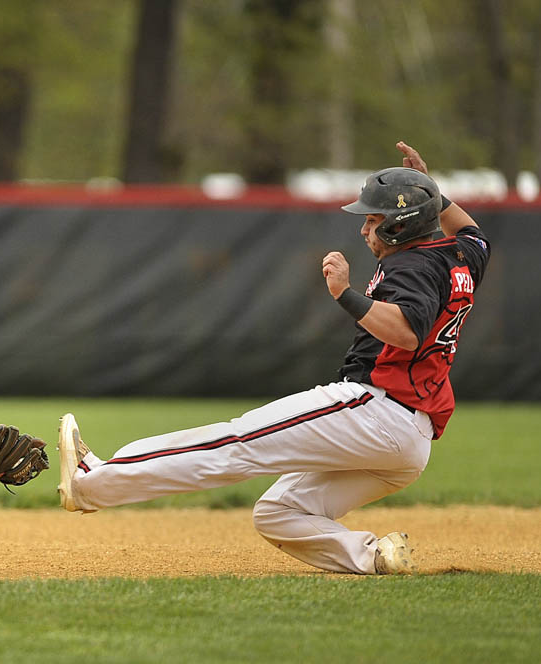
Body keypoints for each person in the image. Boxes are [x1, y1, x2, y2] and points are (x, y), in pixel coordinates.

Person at [57, 141, 490, 575]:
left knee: (236, 443)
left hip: (377, 410)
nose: (363, 230)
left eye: (373, 220)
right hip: (410, 442)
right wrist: (431, 192)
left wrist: (345, 295)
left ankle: (91, 482)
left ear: (400, 226)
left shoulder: (409, 267)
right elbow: (474, 233)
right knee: (278, 511)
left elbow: (408, 333)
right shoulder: (460, 257)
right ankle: (374, 556)